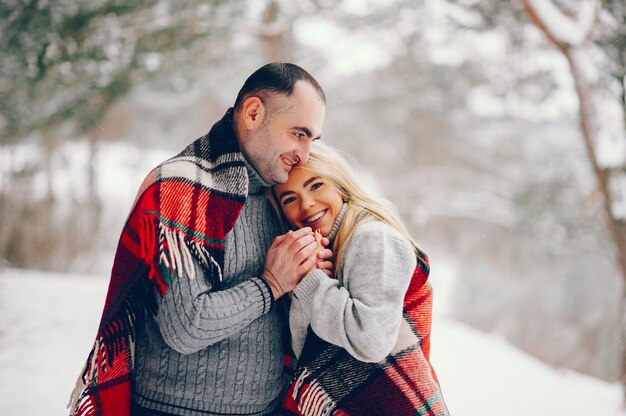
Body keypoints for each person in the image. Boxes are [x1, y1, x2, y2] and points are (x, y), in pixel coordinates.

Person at [68, 63, 333, 416]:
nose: (305, 153)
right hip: (175, 410)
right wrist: (271, 284)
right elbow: (186, 326)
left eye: (312, 140)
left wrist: (310, 273)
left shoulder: (280, 196)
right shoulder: (181, 189)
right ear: (253, 113)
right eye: (299, 134)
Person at [269, 142, 450, 416]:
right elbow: (303, 345)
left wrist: (312, 280)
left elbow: (372, 340)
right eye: (289, 198)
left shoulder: (371, 238)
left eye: (316, 185)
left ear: (340, 184)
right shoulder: (329, 250)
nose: (306, 204)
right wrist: (309, 279)